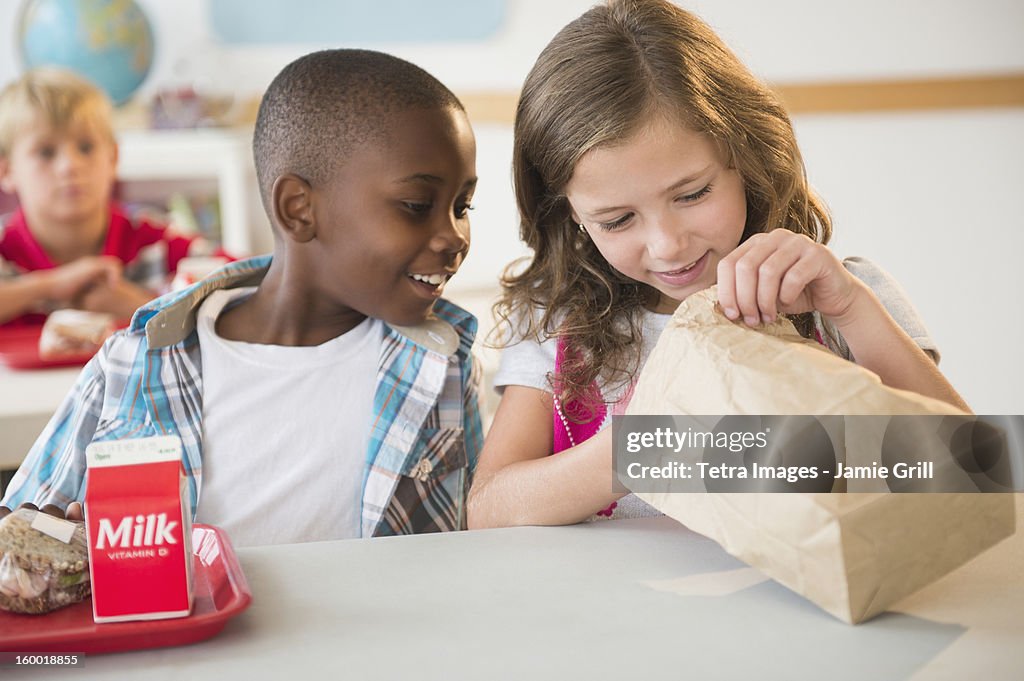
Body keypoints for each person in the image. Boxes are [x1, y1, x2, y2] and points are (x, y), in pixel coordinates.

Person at [467, 0, 969, 529]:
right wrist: (643, 448)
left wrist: (850, 308)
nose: (667, 245)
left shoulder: (840, 300)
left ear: (747, 158)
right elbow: (489, 511)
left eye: (693, 194)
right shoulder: (555, 325)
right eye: (617, 221)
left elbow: (969, 470)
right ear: (569, 215)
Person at [1, 49, 483, 545]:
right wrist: (68, 546)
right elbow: (17, 535)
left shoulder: (441, 362)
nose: (455, 236)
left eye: (462, 206)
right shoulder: (136, 364)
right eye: (417, 205)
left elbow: (475, 535)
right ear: (299, 209)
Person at [0, 68, 218, 325]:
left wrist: (139, 306)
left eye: (86, 147)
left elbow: (253, 286)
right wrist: (49, 287)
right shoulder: (4, 251)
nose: (70, 165)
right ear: (7, 171)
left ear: (113, 158)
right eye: (46, 152)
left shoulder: (156, 243)